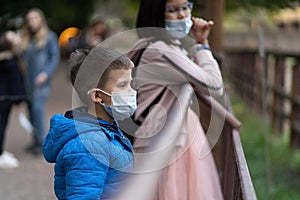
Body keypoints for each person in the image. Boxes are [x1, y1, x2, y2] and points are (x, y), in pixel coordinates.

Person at [128, 0, 224, 199]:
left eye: (186, 6)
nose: (182, 15)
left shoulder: (162, 46)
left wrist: (199, 42)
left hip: (173, 133)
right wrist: (202, 48)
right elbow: (215, 85)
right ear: (156, 14)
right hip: (167, 139)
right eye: (172, 10)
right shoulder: (162, 50)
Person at [42, 47, 135, 199]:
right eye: (123, 85)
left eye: (131, 84)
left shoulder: (107, 128)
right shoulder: (90, 145)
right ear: (97, 95)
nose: (132, 92)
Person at [21, 8, 60, 155]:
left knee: (37, 109)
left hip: (41, 81)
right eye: (29, 19)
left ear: (41, 20)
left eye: (35, 18)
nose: (32, 22)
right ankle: (35, 139)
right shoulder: (27, 38)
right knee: (30, 110)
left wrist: (45, 73)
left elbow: (54, 58)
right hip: (27, 81)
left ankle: (42, 142)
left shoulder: (49, 37)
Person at [0, 31, 26, 168]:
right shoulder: (8, 60)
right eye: (13, 36)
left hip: (5, 98)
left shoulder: (10, 57)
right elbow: (14, 82)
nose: (17, 37)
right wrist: (19, 98)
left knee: (3, 125)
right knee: (1, 126)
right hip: (4, 98)